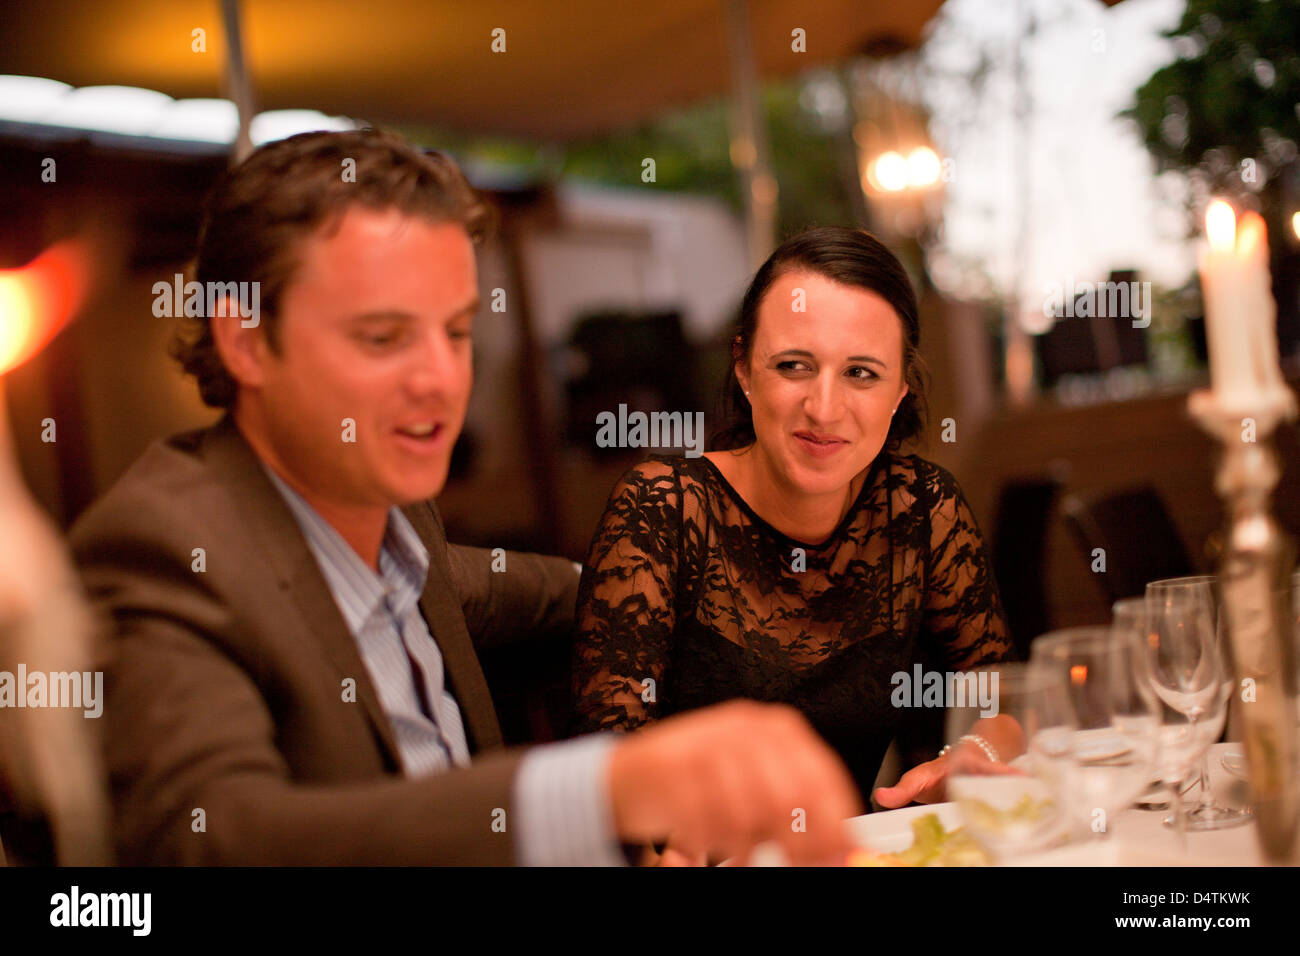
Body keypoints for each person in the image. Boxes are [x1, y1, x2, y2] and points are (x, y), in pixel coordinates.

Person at [69, 129, 861, 866]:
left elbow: (532, 593)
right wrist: (603, 793)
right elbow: (217, 835)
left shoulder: (393, 521)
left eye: (453, 331)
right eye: (383, 338)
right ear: (245, 340)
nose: (441, 380)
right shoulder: (165, 548)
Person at [571, 226, 1017, 815]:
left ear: (899, 390)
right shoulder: (663, 509)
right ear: (744, 369)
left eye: (861, 373)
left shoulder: (922, 507)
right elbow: (608, 771)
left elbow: (1005, 698)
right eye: (794, 365)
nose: (824, 409)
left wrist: (973, 751)